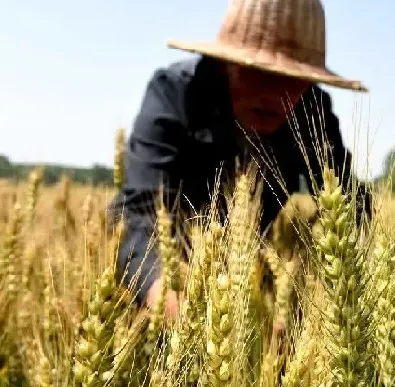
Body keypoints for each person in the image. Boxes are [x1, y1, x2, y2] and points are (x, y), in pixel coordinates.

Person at [109, 0, 372, 319]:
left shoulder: (312, 110)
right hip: (169, 273)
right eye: (257, 71)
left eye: (292, 77)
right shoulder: (175, 93)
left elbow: (347, 204)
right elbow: (139, 215)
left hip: (246, 275)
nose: (274, 93)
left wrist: (314, 306)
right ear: (225, 62)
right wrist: (171, 298)